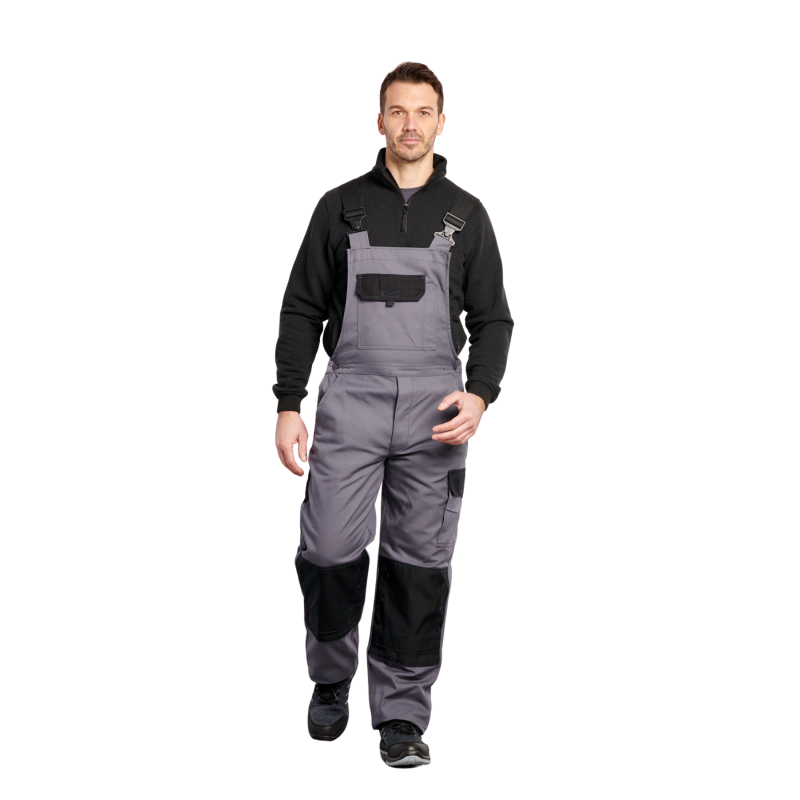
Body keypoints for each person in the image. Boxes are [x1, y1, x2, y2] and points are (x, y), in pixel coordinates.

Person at [272, 60, 513, 767]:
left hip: (436, 410)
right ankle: (329, 680)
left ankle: (403, 717)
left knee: (419, 565)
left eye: (423, 112)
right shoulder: (338, 206)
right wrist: (289, 405)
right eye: (398, 112)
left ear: (442, 123)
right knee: (327, 550)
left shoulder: (467, 214)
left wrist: (480, 394)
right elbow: (300, 310)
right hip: (350, 400)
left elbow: (494, 320)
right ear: (379, 122)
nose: (411, 125)